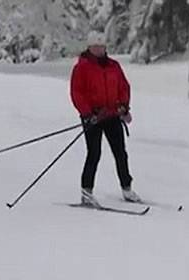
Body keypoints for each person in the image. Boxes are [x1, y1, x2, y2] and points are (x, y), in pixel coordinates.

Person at [70, 31, 141, 206]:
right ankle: (86, 192)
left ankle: (127, 188)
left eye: (102, 46)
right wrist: (87, 113)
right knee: (94, 154)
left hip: (112, 115)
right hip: (92, 117)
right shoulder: (82, 67)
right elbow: (76, 93)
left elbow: (124, 86)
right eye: (96, 47)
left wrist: (124, 106)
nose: (99, 50)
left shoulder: (113, 66)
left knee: (120, 153)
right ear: (89, 47)